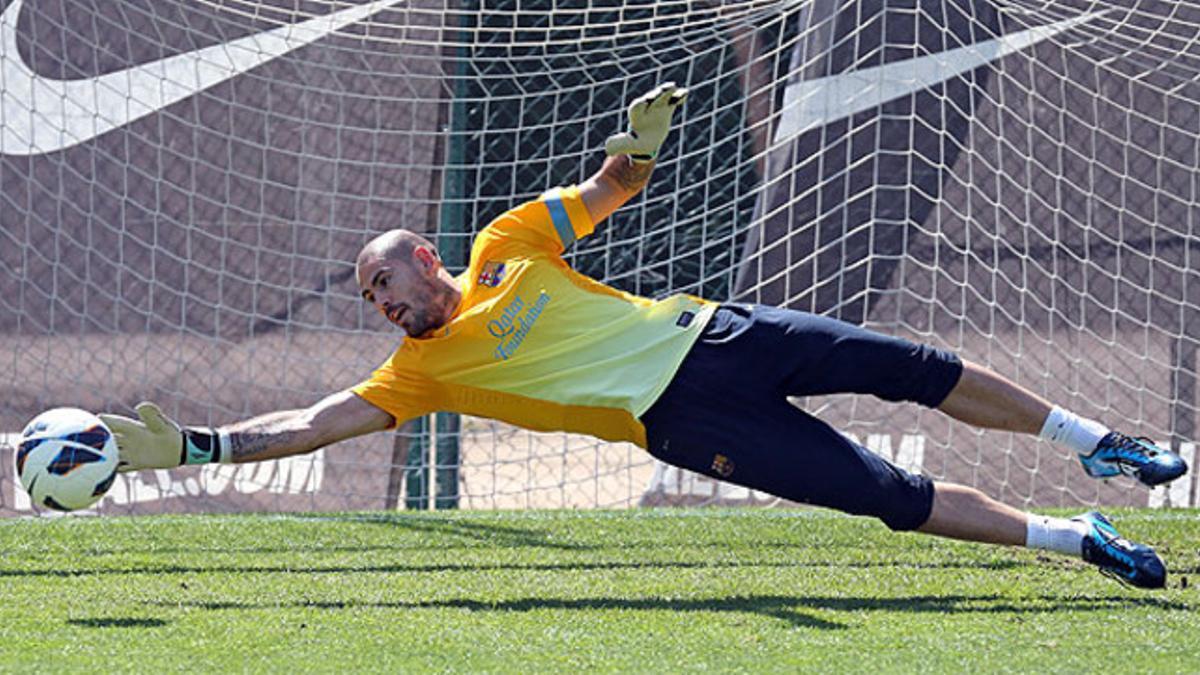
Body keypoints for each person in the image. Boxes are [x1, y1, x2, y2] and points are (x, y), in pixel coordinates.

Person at [101, 83, 1188, 589]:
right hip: (684, 421)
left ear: (429, 258)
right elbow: (309, 422)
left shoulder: (508, 242)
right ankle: (1076, 537)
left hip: (719, 334)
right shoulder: (419, 373)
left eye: (390, 282)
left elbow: (611, 188)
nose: (386, 306)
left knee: (917, 368)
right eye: (375, 301)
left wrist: (640, 146)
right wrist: (198, 450)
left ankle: (1099, 438)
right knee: (888, 500)